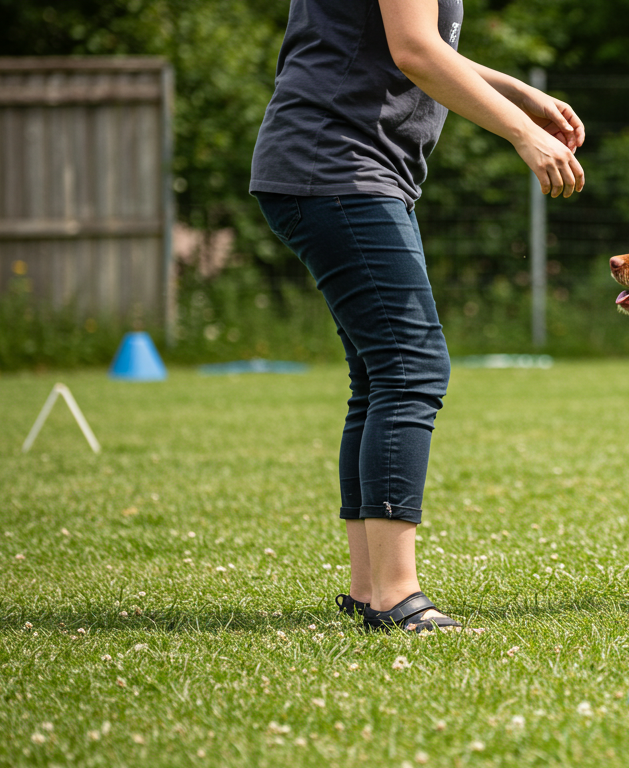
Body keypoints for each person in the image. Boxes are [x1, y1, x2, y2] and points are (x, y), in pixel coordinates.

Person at [249, 0, 584, 632]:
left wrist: (521, 94)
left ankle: (370, 587)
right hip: (339, 169)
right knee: (411, 369)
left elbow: (418, 42)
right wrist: (522, 130)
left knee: (378, 377)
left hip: (330, 168)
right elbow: (415, 52)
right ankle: (396, 595)